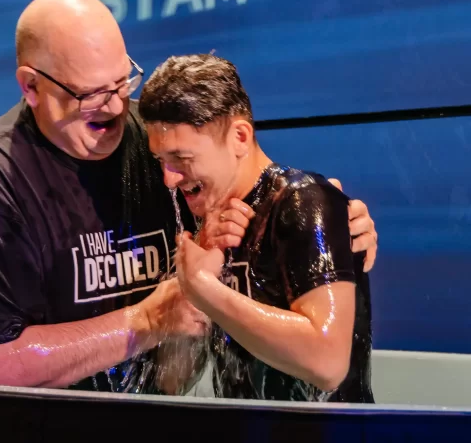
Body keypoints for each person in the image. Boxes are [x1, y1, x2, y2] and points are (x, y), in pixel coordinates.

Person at [0, 0, 378, 392]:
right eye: (90, 94)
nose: (115, 105)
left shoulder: (153, 145)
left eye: (123, 81)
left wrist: (329, 225)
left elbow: (248, 187)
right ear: (31, 87)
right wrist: (149, 319)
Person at [139, 53, 374, 402]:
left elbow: (328, 363)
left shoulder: (305, 203)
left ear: (239, 136)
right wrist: (188, 295)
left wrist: (206, 291)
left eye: (181, 159)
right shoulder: (206, 227)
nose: (169, 179)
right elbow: (173, 382)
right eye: (161, 161)